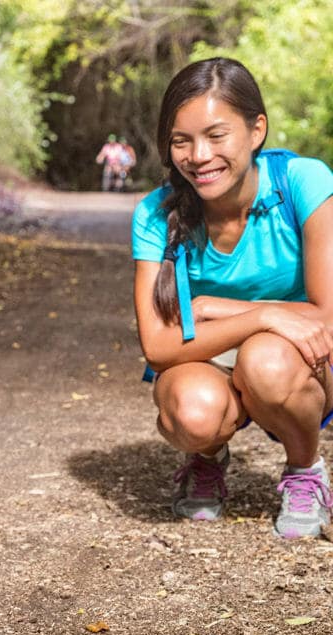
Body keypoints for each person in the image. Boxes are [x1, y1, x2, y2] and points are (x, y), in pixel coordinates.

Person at [131, 57, 333, 538]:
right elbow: (158, 349)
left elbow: (326, 317)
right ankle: (206, 457)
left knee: (264, 361)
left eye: (216, 135)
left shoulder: (304, 182)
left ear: (256, 129)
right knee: (193, 412)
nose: (199, 155)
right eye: (182, 140)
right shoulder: (154, 214)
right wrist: (264, 314)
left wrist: (212, 308)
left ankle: (305, 470)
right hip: (207, 355)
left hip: (299, 357)